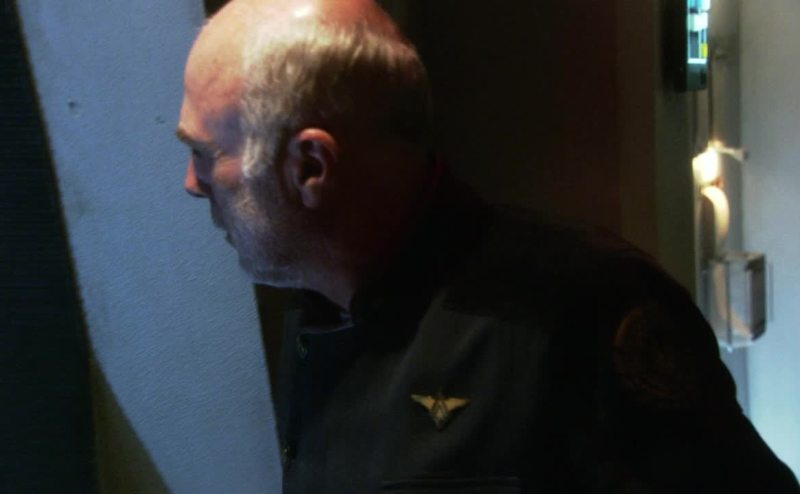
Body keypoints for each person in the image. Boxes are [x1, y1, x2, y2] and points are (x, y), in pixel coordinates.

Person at [177, 0, 800, 492]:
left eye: (205, 154)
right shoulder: (316, 308)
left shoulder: (585, 306)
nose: (191, 183)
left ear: (311, 167)